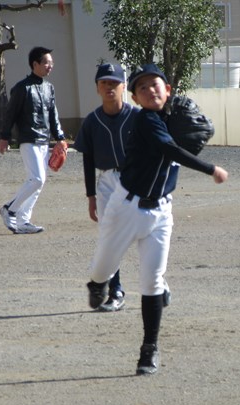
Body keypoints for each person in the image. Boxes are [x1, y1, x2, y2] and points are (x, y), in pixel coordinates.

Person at [85, 64, 229, 375]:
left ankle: (148, 350)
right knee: (102, 270)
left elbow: (191, 134)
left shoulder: (171, 118)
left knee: (152, 281)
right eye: (142, 87)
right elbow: (168, 148)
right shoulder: (146, 120)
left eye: (156, 84)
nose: (150, 90)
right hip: (125, 209)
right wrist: (210, 169)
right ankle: (96, 285)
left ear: (168, 89)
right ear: (136, 98)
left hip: (161, 212)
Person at [74, 63, 139, 312]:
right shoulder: (92, 121)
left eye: (114, 82)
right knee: (109, 236)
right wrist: (91, 196)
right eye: (104, 83)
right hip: (106, 182)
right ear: (97, 88)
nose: (109, 87)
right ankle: (115, 290)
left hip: (135, 179)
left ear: (124, 87)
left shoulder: (137, 117)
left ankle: (157, 282)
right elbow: (88, 159)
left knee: (144, 230)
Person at [0, 46, 66, 234]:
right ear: (35, 64)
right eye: (46, 62)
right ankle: (9, 209)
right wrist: (4, 137)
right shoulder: (21, 88)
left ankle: (23, 221)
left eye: (51, 63)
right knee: (36, 179)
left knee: (38, 182)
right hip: (28, 139)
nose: (50, 66)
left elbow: (53, 115)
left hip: (44, 140)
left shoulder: (49, 88)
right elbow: (10, 114)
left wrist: (60, 138)